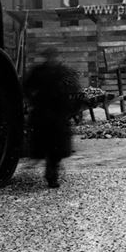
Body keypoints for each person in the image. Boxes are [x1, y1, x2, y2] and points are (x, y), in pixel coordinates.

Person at [23, 47, 80, 188]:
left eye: (54, 57)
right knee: (49, 145)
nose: (52, 60)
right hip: (44, 113)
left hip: (57, 113)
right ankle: (51, 171)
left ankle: (52, 171)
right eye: (50, 57)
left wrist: (73, 109)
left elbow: (74, 91)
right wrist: (33, 100)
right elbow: (26, 88)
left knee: (55, 146)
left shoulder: (63, 72)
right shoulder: (39, 72)